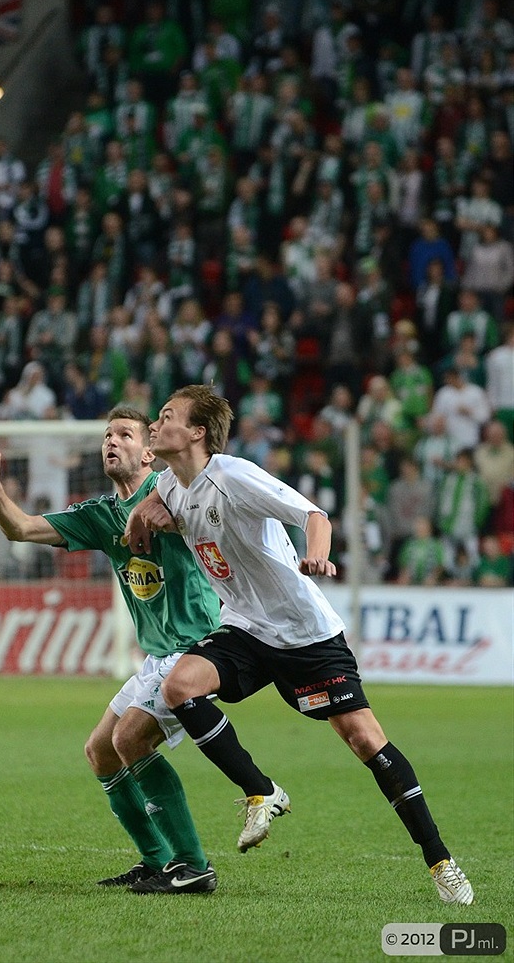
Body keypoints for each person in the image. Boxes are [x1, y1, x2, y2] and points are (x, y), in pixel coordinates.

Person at [124, 384, 473, 906]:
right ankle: (261, 791)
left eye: (166, 416)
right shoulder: (172, 485)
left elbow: (315, 516)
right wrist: (138, 515)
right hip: (245, 627)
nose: (155, 423)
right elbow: (159, 498)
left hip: (304, 633)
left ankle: (441, 861)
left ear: (197, 431)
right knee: (180, 686)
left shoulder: (234, 475)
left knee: (363, 739)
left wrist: (316, 557)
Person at [0, 406, 222, 895]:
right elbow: (19, 529)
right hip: (157, 658)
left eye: (125, 434)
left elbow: (208, 494)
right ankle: (158, 860)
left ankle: (193, 865)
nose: (112, 441)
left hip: (199, 650)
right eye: (107, 435)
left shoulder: (176, 492)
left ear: (150, 450)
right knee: (101, 753)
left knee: (130, 740)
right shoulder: (101, 515)